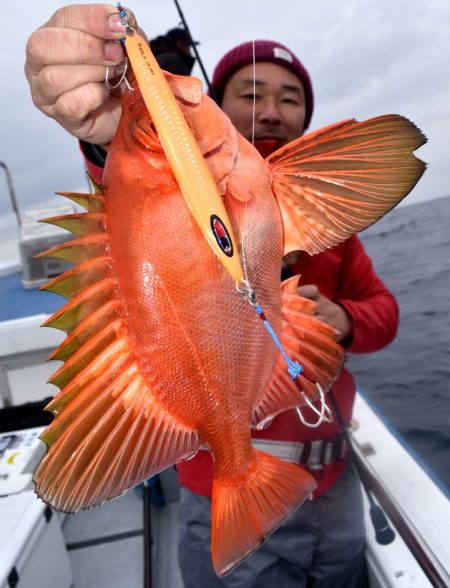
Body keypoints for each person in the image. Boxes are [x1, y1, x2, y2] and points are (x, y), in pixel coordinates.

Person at [25, 5, 398, 587]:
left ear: (306, 115)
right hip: (214, 491)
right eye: (251, 94)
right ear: (220, 99)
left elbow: (386, 314)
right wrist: (107, 136)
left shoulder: (332, 227)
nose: (272, 109)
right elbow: (126, 195)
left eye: (290, 99)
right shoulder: (149, 178)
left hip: (334, 489)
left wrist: (344, 319)